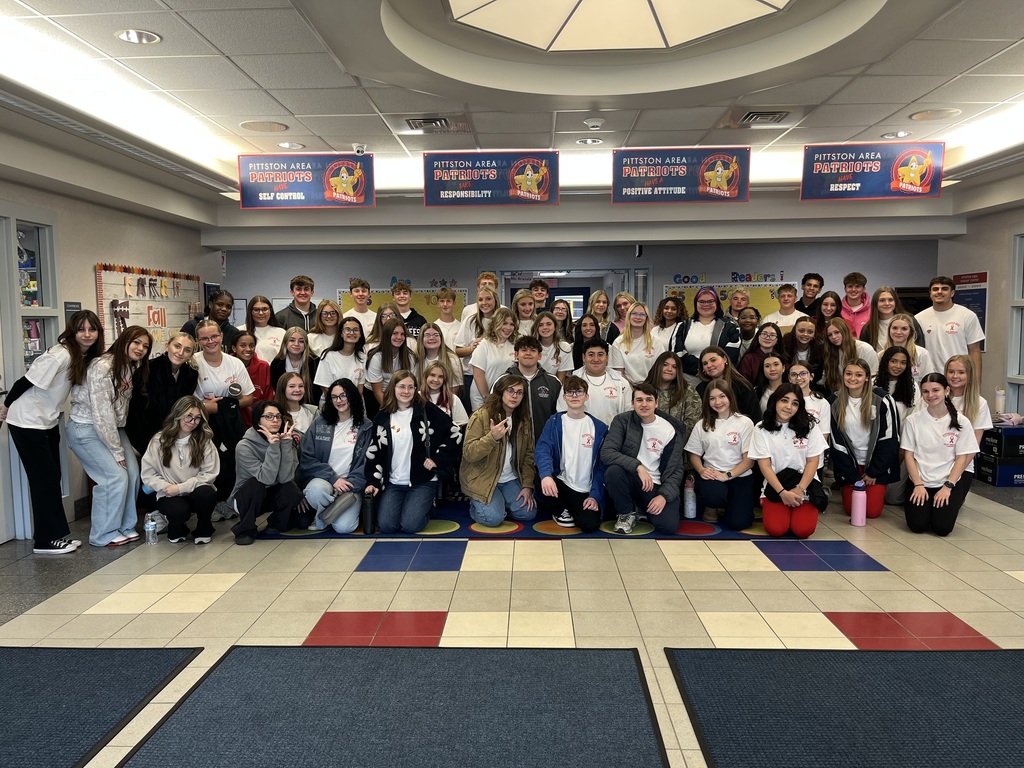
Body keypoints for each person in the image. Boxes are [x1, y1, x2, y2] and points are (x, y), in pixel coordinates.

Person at [1, 310, 102, 554]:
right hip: (27, 421)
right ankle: (44, 541)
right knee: (43, 481)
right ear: (72, 331)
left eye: (92, 329)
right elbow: (24, 382)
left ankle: (56, 535)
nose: (87, 334)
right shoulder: (60, 355)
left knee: (52, 477)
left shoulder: (80, 355)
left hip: (47, 421)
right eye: (81, 330)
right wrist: (4, 407)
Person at [68, 325, 152, 547]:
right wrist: (117, 451)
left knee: (133, 474)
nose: (140, 348)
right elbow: (101, 412)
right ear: (124, 340)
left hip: (113, 429)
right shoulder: (102, 366)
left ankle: (125, 526)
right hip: (86, 428)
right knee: (114, 477)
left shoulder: (129, 367)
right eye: (136, 342)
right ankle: (103, 534)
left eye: (145, 346)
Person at [364, 371, 460, 533]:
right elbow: (375, 453)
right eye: (402, 386)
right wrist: (373, 482)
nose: (406, 391)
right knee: (387, 526)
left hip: (423, 481)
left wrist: (437, 459)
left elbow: (455, 433)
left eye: (411, 387)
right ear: (393, 388)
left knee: (410, 526)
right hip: (394, 482)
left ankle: (428, 506)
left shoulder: (427, 410)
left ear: (416, 389)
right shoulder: (382, 417)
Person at [601, 383, 685, 535]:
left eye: (649, 400)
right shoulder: (622, 421)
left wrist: (663, 496)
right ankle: (626, 513)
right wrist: (638, 467)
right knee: (613, 472)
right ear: (632, 403)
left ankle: (641, 508)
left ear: (656, 403)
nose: (644, 404)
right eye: (639, 400)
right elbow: (607, 453)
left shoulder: (670, 429)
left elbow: (676, 469)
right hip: (632, 478)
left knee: (668, 526)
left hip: (656, 485)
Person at [901, 373, 979, 537]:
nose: (930, 395)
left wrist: (948, 486)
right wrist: (918, 485)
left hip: (947, 483)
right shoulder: (912, 421)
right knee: (917, 526)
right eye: (926, 391)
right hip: (920, 482)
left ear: (947, 390)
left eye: (935, 390)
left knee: (942, 529)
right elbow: (909, 456)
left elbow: (961, 458)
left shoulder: (962, 422)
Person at [748, 384, 828, 539]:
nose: (788, 407)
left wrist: (800, 489)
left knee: (803, 531)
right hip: (777, 484)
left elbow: (813, 462)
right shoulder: (761, 428)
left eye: (795, 403)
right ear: (775, 401)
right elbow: (764, 465)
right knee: (776, 530)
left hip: (805, 484)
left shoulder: (810, 426)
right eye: (784, 400)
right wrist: (782, 493)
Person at [193, 318, 255, 515]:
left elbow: (249, 397)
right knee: (207, 462)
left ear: (221, 337)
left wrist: (226, 405)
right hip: (203, 423)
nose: (210, 341)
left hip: (231, 422)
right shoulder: (193, 362)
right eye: (204, 338)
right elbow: (186, 400)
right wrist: (206, 407)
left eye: (214, 336)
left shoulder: (234, 363)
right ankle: (206, 505)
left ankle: (227, 502)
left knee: (231, 463)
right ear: (198, 341)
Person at [461, 373, 537, 528]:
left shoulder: (523, 419)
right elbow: (469, 453)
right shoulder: (481, 416)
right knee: (493, 519)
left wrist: (527, 485)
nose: (514, 396)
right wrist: (492, 438)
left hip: (509, 478)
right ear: (500, 392)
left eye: (519, 392)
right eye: (510, 390)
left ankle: (498, 503)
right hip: (482, 478)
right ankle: (479, 503)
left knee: (528, 513)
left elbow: (528, 456)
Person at [140, 396, 219, 544]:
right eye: (188, 416)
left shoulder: (204, 440)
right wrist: (166, 487)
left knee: (207, 494)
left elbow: (210, 473)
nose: (192, 422)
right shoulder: (159, 440)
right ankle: (177, 526)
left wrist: (181, 487)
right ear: (178, 414)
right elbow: (148, 474)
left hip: (196, 489)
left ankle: (204, 527)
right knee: (177, 515)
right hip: (169, 492)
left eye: (197, 418)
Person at [299, 378, 374, 534]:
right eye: (334, 397)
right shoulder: (319, 424)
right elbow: (307, 458)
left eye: (343, 395)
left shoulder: (366, 426)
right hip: (324, 480)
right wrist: (334, 479)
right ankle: (324, 514)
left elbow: (368, 463)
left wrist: (348, 484)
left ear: (352, 396)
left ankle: (324, 514)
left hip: (351, 485)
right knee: (314, 491)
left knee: (344, 528)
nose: (339, 400)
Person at [828, 359, 900, 520]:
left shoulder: (883, 400)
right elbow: (835, 442)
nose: (853, 378)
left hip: (875, 465)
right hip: (850, 465)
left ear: (867, 377)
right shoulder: (833, 402)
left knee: (872, 513)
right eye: (849, 374)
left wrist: (874, 471)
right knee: (852, 511)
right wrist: (851, 474)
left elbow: (890, 438)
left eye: (858, 375)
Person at [535, 376, 608, 532]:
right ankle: (560, 509)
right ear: (564, 397)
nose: (574, 396)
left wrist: (595, 495)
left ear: (587, 396)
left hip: (584, 489)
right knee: (539, 474)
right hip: (560, 482)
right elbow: (543, 450)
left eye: (579, 392)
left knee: (590, 525)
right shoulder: (554, 422)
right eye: (570, 392)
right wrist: (546, 476)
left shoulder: (600, 428)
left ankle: (573, 508)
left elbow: (602, 467)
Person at [228, 400, 302, 545]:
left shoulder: (286, 439)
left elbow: (285, 478)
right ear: (257, 419)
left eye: (278, 416)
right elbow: (265, 478)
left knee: (290, 489)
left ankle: (275, 523)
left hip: (269, 495)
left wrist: (285, 445)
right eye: (268, 416)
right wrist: (274, 447)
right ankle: (245, 529)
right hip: (246, 498)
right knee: (256, 485)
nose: (275, 420)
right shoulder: (244, 446)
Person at [685, 378, 756, 529]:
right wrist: (702, 470)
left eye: (722, 396)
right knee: (713, 495)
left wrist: (728, 475)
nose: (718, 402)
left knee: (739, 523)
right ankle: (713, 506)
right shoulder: (702, 424)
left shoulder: (744, 422)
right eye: (712, 398)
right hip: (713, 474)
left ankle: (733, 506)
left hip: (739, 476)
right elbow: (694, 454)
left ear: (730, 396)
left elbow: (749, 461)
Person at [126, 331, 199, 456]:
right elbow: (138, 412)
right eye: (177, 346)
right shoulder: (147, 370)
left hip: (174, 433)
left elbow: (183, 409)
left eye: (187, 350)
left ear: (191, 354)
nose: (180, 353)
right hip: (143, 433)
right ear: (167, 346)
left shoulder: (191, 375)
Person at [916, 275, 985, 377]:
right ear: (930, 293)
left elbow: (974, 351)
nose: (939, 292)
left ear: (952, 293)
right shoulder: (919, 318)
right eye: (935, 289)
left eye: (944, 289)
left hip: (958, 376)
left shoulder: (967, 316)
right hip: (930, 377)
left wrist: (976, 383)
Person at [674, 288, 741, 384]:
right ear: (695, 303)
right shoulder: (683, 326)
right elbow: (677, 353)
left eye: (710, 301)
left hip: (720, 381)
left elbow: (731, 355)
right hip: (688, 382)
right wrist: (702, 369)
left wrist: (712, 369)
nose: (706, 305)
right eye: (702, 301)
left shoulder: (731, 327)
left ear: (717, 303)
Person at [561, 337, 632, 426]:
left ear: (607, 357)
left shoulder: (622, 383)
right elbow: (562, 413)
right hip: (580, 435)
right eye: (591, 355)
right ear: (584, 357)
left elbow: (629, 415)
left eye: (600, 354)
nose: (596, 359)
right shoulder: (570, 384)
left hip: (613, 436)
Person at [504, 335, 562, 443]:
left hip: (545, 444)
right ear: (516, 355)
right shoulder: (503, 381)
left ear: (539, 356)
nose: (528, 353)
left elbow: (562, 416)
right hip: (513, 445)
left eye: (533, 350)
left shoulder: (553, 382)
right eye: (524, 350)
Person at [470, 306, 517, 410]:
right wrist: (488, 399)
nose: (508, 328)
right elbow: (478, 376)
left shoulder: (514, 346)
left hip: (506, 399)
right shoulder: (483, 345)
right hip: (483, 398)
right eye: (504, 323)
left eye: (511, 324)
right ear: (496, 323)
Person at [455, 285, 499, 396]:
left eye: (488, 299)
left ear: (495, 300)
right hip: (471, 376)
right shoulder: (470, 321)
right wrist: (471, 348)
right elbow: (458, 351)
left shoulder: (503, 322)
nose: (484, 303)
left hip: (496, 375)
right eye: (480, 299)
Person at [644, 351, 700, 435]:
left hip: (678, 443)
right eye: (665, 365)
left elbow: (692, 423)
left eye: (674, 367)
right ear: (657, 366)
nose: (669, 369)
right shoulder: (644, 390)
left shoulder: (689, 392)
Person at [697, 346, 761, 421]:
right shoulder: (700, 388)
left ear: (725, 359)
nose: (709, 365)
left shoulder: (742, 386)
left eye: (713, 360)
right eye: (705, 363)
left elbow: (754, 417)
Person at [611, 301, 665, 386]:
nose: (638, 317)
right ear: (629, 316)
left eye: (642, 314)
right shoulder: (618, 343)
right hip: (628, 389)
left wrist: (648, 389)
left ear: (646, 318)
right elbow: (619, 373)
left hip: (652, 388)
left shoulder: (656, 342)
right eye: (634, 313)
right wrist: (633, 390)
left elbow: (660, 369)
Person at [367, 318, 417, 406]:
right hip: (379, 398)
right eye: (395, 333)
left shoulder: (409, 356)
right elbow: (378, 392)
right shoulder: (376, 358)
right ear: (387, 335)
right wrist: (391, 412)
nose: (399, 337)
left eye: (402, 334)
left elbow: (410, 385)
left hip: (402, 396)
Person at [859, 287, 923, 353]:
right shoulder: (868, 328)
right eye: (882, 300)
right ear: (875, 303)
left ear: (896, 302)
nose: (887, 303)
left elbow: (920, 346)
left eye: (890, 300)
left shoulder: (910, 321)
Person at [945, 354, 992, 443]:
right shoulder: (934, 398)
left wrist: (962, 458)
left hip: (965, 455)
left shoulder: (980, 403)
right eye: (951, 372)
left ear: (970, 375)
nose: (955, 376)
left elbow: (975, 443)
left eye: (961, 372)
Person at [315, 317, 367, 397]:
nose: (352, 333)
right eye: (347, 329)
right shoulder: (328, 356)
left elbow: (360, 388)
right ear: (341, 333)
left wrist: (353, 404)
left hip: (355, 404)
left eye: (356, 330)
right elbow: (325, 387)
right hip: (333, 403)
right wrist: (341, 402)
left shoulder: (362, 357)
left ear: (360, 334)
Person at [822, 317, 877, 392]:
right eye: (830, 335)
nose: (834, 337)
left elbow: (874, 376)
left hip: (865, 392)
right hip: (841, 393)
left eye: (837, 332)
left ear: (845, 331)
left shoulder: (865, 348)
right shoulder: (830, 352)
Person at [229, 331, 271, 426]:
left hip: (257, 421)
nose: (248, 349)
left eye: (252, 346)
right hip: (231, 420)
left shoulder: (263, 367)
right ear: (234, 348)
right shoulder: (225, 365)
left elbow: (268, 396)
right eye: (243, 345)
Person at [885, 313, 936, 386]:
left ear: (910, 331)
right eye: (895, 328)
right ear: (889, 330)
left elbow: (929, 381)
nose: (898, 332)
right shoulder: (881, 355)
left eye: (904, 329)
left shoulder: (922, 353)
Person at [269, 327, 319, 402]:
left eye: (301, 341)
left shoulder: (315, 362)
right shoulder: (276, 363)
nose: (296, 344)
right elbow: (277, 389)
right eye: (292, 340)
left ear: (306, 344)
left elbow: (316, 391)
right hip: (284, 404)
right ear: (285, 342)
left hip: (309, 406)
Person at [787, 361, 829, 440]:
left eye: (803, 373)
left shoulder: (822, 402)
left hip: (815, 450)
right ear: (789, 378)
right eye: (794, 374)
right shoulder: (783, 400)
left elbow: (824, 435)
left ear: (811, 376)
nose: (798, 378)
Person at [415, 322, 461, 393]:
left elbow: (454, 388)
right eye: (427, 335)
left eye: (435, 335)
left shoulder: (452, 359)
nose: (431, 338)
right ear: (421, 338)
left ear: (441, 338)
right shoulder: (415, 359)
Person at [421, 360, 469, 426]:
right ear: (426, 376)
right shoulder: (417, 397)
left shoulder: (453, 399)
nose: (436, 380)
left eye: (441, 377)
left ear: (445, 380)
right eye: (432, 375)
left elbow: (461, 424)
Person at [239, 295, 285, 362]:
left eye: (265, 309)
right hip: (248, 371)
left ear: (270, 311)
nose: (260, 313)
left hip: (274, 371)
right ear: (250, 312)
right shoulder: (240, 330)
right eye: (256, 310)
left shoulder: (281, 332)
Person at [532, 311, 573, 382]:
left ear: (555, 327)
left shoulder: (564, 347)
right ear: (536, 328)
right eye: (541, 325)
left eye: (549, 324)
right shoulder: (530, 347)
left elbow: (560, 380)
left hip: (554, 387)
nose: (545, 327)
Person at [781, 317, 823, 384]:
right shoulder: (784, 345)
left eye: (810, 332)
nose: (805, 334)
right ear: (795, 331)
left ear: (814, 334)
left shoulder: (820, 349)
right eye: (801, 331)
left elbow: (818, 376)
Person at [276, 371, 319, 437]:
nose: (298, 389)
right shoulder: (275, 415)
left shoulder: (314, 412)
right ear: (282, 389)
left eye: (301, 386)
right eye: (292, 386)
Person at [840, 271, 870, 337]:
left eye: (857, 286)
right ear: (845, 289)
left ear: (864, 289)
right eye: (850, 286)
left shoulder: (872, 311)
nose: (853, 289)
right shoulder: (838, 310)